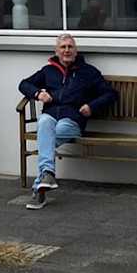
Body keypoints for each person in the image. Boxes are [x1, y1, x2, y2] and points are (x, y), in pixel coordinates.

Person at [17, 33, 117, 209]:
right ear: (56, 51)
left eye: (70, 47)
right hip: (50, 116)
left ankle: (41, 185)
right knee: (44, 122)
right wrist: (38, 94)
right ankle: (47, 176)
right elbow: (24, 84)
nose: (67, 50)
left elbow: (111, 94)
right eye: (63, 47)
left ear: (76, 51)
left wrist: (91, 106)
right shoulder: (48, 71)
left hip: (72, 120)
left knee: (48, 136)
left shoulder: (89, 72)